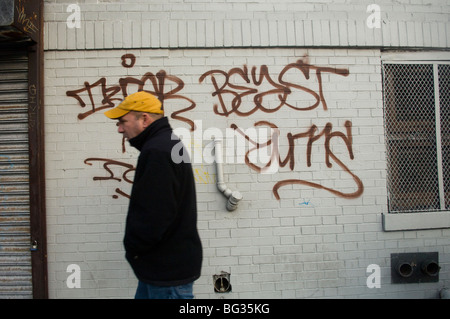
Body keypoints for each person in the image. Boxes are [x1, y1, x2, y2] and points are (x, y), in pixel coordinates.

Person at [104, 91, 202, 299]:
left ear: (145, 119)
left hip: (166, 275)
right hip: (164, 269)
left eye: (123, 121)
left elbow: (155, 215)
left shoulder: (157, 151)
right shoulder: (165, 144)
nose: (120, 129)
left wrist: (134, 248)